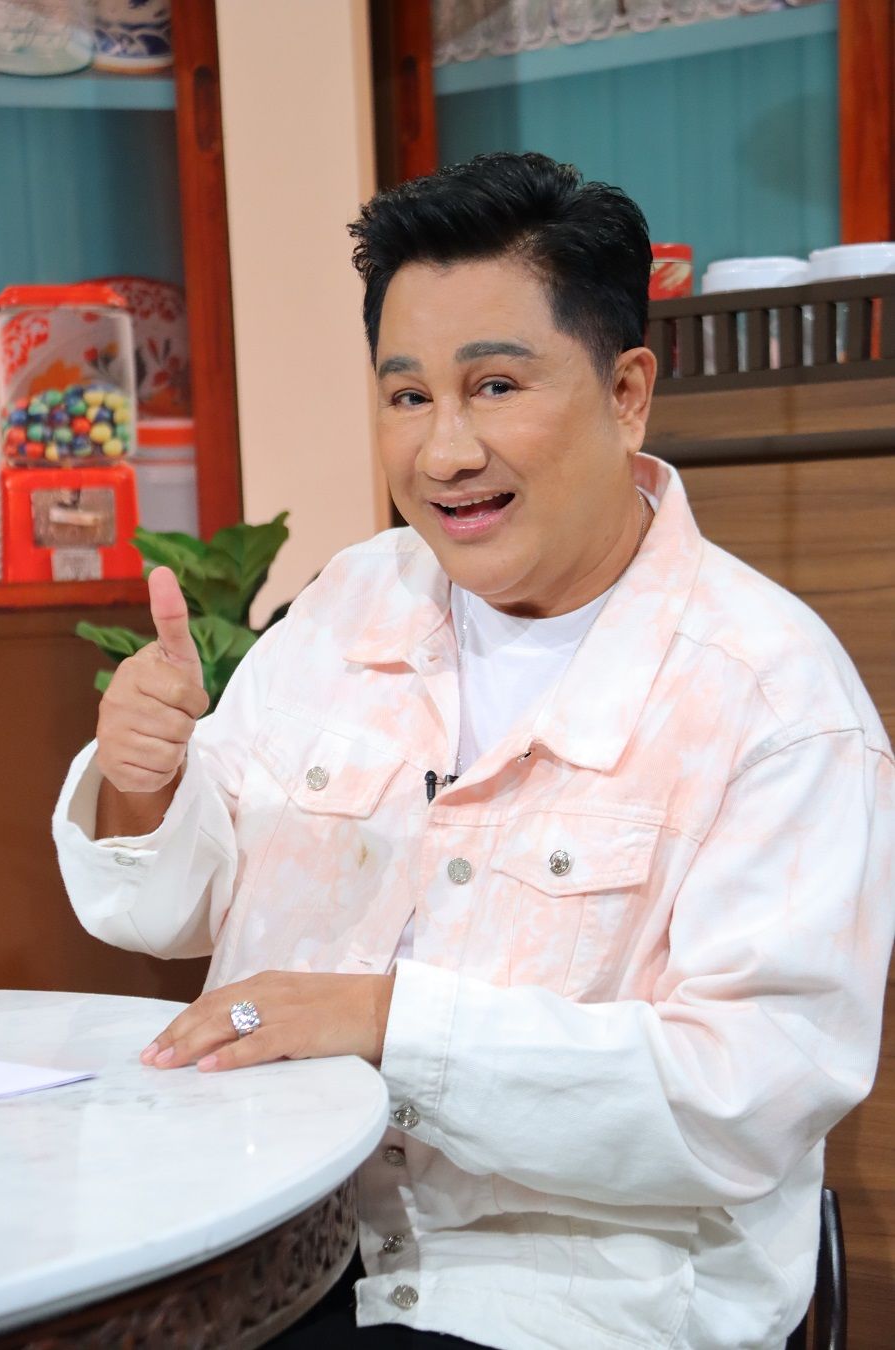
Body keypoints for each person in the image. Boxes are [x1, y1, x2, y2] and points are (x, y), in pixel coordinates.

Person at [54, 152, 894, 1350]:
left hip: (569, 1299)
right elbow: (175, 909)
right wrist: (146, 782)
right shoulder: (350, 602)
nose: (444, 453)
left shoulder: (774, 698)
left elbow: (749, 1094)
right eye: (407, 397)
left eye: (495, 385)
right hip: (272, 1231)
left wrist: (391, 1023)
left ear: (627, 393)